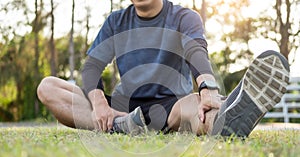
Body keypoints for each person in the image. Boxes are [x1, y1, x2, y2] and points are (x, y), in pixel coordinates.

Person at [37, 0, 290, 137]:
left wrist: (208, 87)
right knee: (48, 86)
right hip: (123, 109)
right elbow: (92, 66)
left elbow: (196, 52)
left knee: (200, 109)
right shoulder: (116, 21)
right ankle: (119, 125)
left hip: (173, 108)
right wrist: (100, 102)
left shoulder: (184, 17)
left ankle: (228, 115)